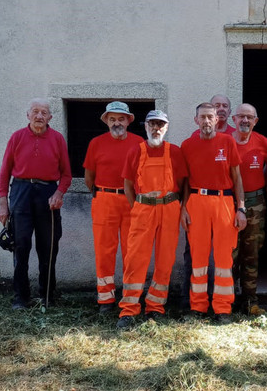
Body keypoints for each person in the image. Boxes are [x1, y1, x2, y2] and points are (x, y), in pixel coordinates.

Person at [116, 110, 188, 329]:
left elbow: (185, 183)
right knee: (135, 259)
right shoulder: (135, 151)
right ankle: (129, 310)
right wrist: (137, 206)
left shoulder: (174, 152)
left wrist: (181, 207)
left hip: (170, 208)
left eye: (161, 124)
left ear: (166, 128)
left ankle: (155, 307)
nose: (156, 128)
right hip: (143, 209)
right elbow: (128, 185)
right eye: (152, 124)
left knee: (165, 259)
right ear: (145, 126)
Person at [0, 98, 71, 310]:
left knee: (48, 247)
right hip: (21, 191)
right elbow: (4, 173)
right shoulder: (17, 137)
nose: (39, 116)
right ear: (28, 115)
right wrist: (3, 203)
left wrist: (59, 193)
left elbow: (66, 175)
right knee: (20, 246)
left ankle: (48, 296)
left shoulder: (57, 139)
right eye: (35, 112)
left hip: (48, 193)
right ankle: (20, 298)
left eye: (44, 112)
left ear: (50, 117)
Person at [180, 102, 247, 324]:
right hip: (196, 202)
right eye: (203, 117)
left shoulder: (227, 141)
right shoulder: (187, 145)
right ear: (196, 120)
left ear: (217, 120)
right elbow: (185, 182)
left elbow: (237, 177)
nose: (207, 121)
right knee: (198, 258)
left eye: (211, 117)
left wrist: (241, 208)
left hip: (224, 201)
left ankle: (222, 307)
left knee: (223, 258)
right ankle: (198, 306)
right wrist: (184, 209)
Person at [83, 101, 143, 313]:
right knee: (104, 250)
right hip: (104, 199)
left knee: (132, 251)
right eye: (112, 119)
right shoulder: (96, 143)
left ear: (128, 121)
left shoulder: (139, 143)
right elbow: (88, 177)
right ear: (106, 122)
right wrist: (102, 193)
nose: (117, 123)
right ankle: (106, 299)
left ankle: (130, 297)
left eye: (121, 119)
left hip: (131, 201)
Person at [230, 103, 267, 315]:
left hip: (255, 203)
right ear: (233, 120)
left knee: (251, 254)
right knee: (229, 255)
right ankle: (227, 301)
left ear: (255, 121)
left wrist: (260, 183)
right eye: (241, 117)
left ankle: (250, 301)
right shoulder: (226, 142)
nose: (245, 121)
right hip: (229, 204)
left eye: (250, 117)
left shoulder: (262, 142)